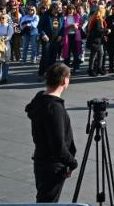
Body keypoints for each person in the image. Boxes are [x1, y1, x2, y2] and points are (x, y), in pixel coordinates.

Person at [25, 63, 77, 203]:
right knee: (48, 201)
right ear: (64, 80)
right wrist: (72, 162)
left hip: (41, 159)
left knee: (43, 198)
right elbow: (58, 144)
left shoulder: (40, 99)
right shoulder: (54, 108)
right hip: (53, 165)